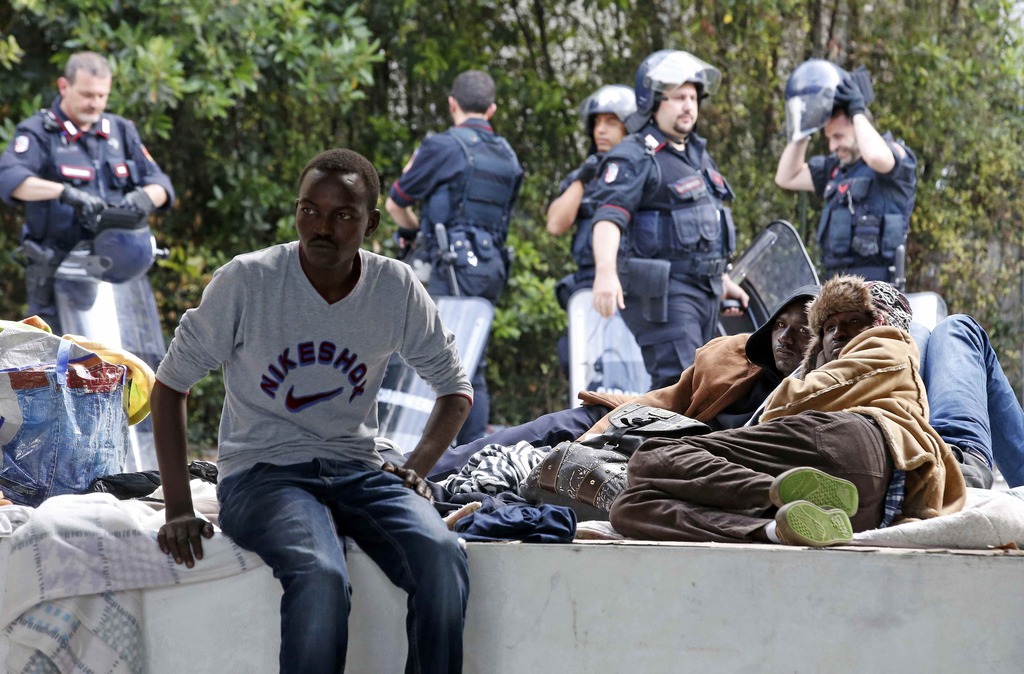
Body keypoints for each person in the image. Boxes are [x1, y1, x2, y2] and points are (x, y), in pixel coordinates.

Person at [152, 149, 473, 674]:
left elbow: (455, 389)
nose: (321, 227)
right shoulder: (248, 280)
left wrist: (416, 468)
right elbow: (170, 386)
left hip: (358, 470)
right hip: (262, 475)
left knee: (442, 557)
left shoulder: (394, 287)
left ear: (371, 222)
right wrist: (178, 508)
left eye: (343, 215)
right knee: (321, 574)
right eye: (309, 210)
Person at [609, 276, 966, 546]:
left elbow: (788, 406)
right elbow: (661, 399)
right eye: (829, 327)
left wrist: (806, 371)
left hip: (858, 441)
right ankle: (775, 527)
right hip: (861, 506)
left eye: (853, 322)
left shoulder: (889, 342)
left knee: (651, 456)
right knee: (631, 506)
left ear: (878, 322)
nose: (839, 333)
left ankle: (780, 492)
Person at [430, 284, 820, 479]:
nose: (785, 339)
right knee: (552, 427)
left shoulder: (817, 397)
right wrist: (608, 425)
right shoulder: (731, 354)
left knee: (538, 471)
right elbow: (670, 399)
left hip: (675, 463)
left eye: (802, 331)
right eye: (780, 325)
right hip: (642, 423)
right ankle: (426, 468)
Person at [587, 50, 749, 389]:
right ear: (652, 102)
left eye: (693, 97)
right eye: (678, 97)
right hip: (664, 294)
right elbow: (608, 218)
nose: (688, 105)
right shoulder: (634, 155)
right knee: (682, 384)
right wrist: (605, 272)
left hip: (704, 291)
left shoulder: (696, 155)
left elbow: (705, 223)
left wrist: (722, 279)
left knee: (699, 387)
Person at [385, 69, 523, 445]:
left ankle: (419, 449)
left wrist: (414, 232)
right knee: (472, 360)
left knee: (428, 359)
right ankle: (473, 452)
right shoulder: (508, 156)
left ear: (451, 104)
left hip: (449, 268)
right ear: (491, 110)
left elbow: (396, 203)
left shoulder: (442, 146)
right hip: (490, 269)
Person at [0, 51, 174, 332]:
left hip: (115, 281)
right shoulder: (39, 132)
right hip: (57, 277)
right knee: (56, 356)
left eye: (102, 96)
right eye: (87, 94)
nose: (95, 104)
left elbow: (161, 184)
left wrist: (144, 197)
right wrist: (64, 192)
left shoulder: (121, 131)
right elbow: (9, 179)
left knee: (117, 357)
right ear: (64, 86)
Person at [775, 59, 917, 285]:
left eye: (839, 136)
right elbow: (786, 177)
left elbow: (876, 157)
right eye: (829, 138)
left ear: (859, 125)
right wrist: (803, 130)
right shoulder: (835, 169)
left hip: (878, 295)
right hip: (835, 291)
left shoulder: (895, 158)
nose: (832, 146)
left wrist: (858, 112)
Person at [547, 84, 636, 308]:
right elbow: (555, 225)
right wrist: (583, 179)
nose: (601, 130)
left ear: (629, 127)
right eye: (597, 122)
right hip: (589, 281)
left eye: (611, 122)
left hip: (631, 281)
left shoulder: (643, 172)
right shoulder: (585, 175)